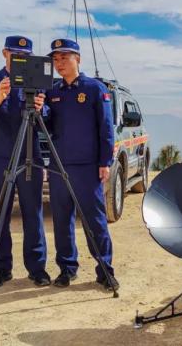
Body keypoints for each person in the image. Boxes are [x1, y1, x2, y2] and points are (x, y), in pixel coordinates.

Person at [0, 35, 50, 288]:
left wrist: (42, 108)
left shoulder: (37, 80)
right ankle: (1, 267)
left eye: (25, 56)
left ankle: (37, 268)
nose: (20, 59)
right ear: (4, 53)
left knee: (33, 214)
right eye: (15, 54)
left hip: (30, 156)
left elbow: (49, 116)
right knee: (0, 213)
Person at [43, 38, 118, 289]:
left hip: (87, 167)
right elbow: (47, 127)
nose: (59, 63)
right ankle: (67, 268)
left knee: (94, 221)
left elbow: (106, 129)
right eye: (55, 59)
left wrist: (104, 161)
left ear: (78, 59)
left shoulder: (95, 89)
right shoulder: (52, 92)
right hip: (59, 166)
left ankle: (104, 270)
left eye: (64, 57)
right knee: (62, 221)